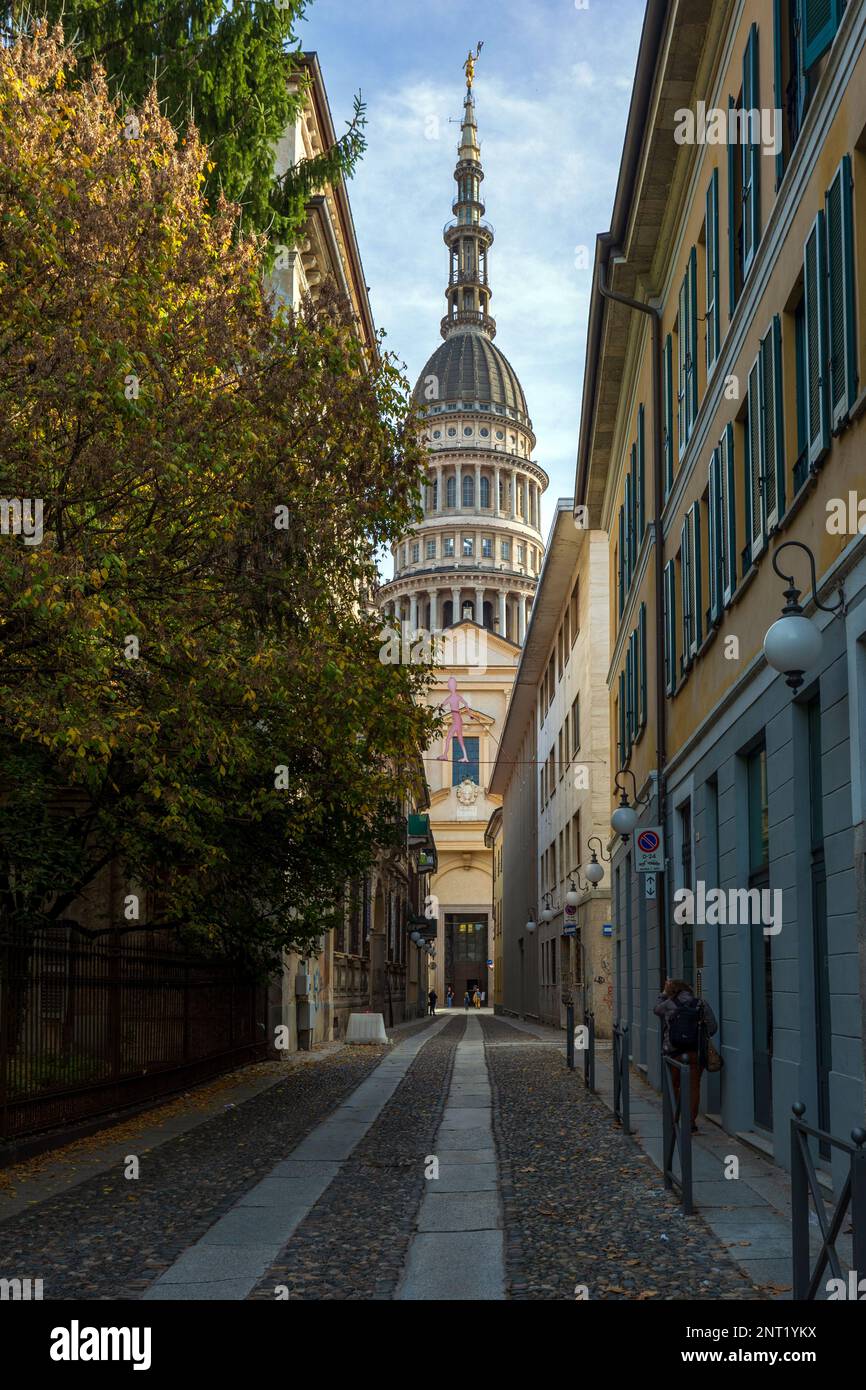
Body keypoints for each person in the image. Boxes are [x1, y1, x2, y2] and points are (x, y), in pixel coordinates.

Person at [654, 978, 718, 1133]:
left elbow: (656, 1009)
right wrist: (699, 1036)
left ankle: (675, 1118)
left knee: (673, 1085)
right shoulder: (700, 1003)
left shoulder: (668, 1004)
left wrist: (663, 993)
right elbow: (713, 1026)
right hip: (694, 1051)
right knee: (694, 1086)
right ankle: (690, 1122)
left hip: (673, 1051)